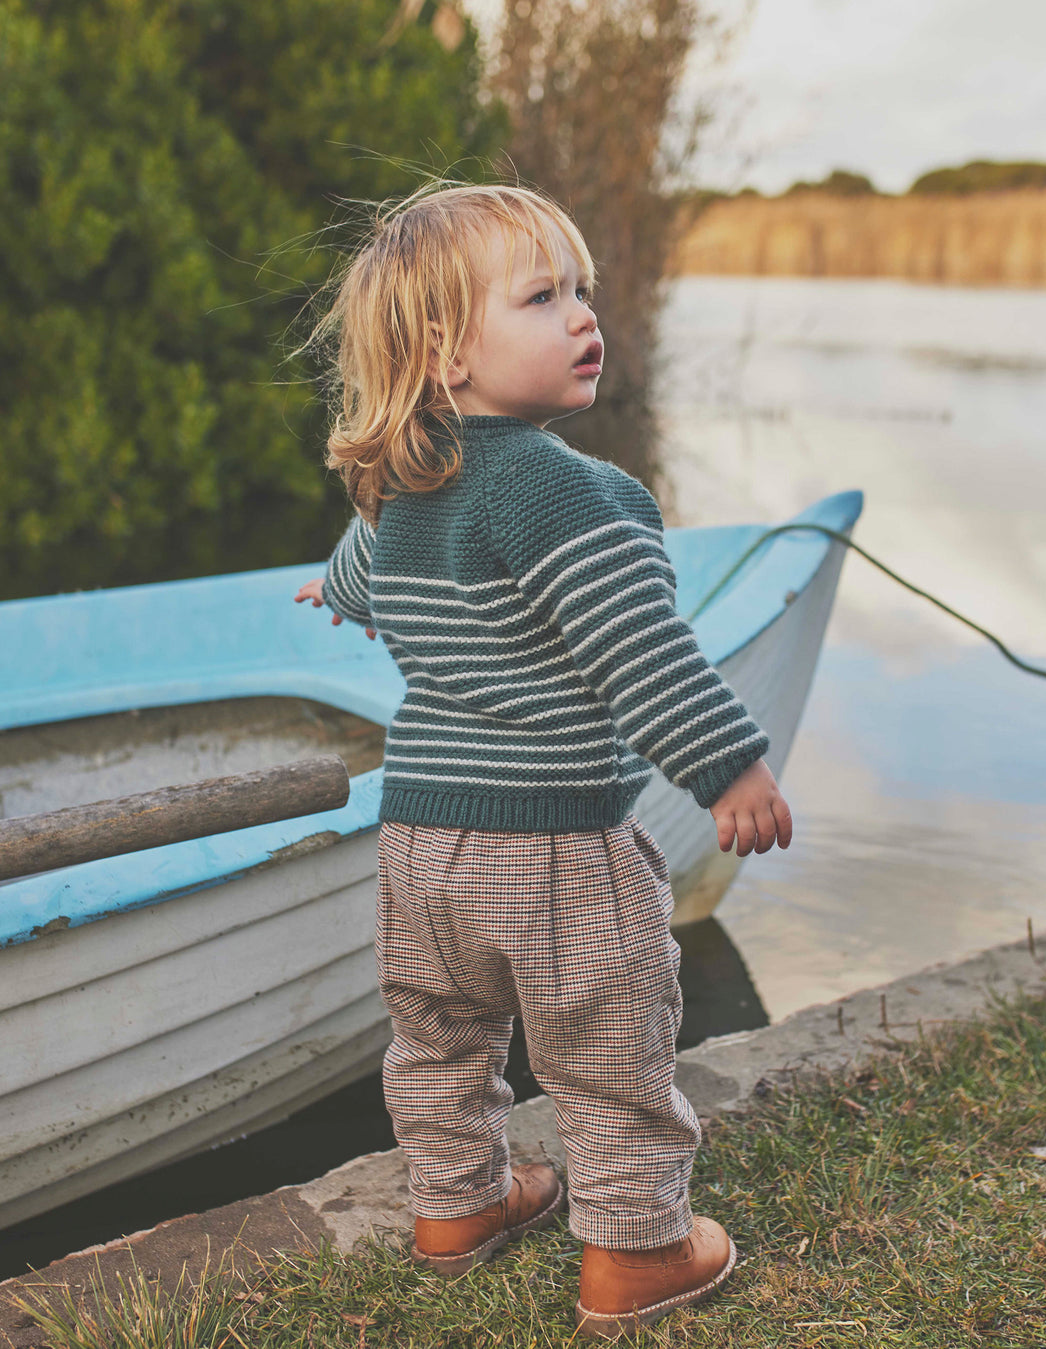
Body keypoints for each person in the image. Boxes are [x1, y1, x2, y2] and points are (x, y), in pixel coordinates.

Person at [295, 182, 792, 1339]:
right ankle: (637, 1251)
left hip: (420, 844)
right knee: (609, 1044)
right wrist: (730, 768)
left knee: (438, 1037)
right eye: (541, 295)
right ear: (442, 351)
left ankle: (456, 1207)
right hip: (557, 842)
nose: (582, 316)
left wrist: (334, 588)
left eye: (582, 291)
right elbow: (645, 656)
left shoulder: (400, 489)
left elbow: (363, 573)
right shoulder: (577, 493)